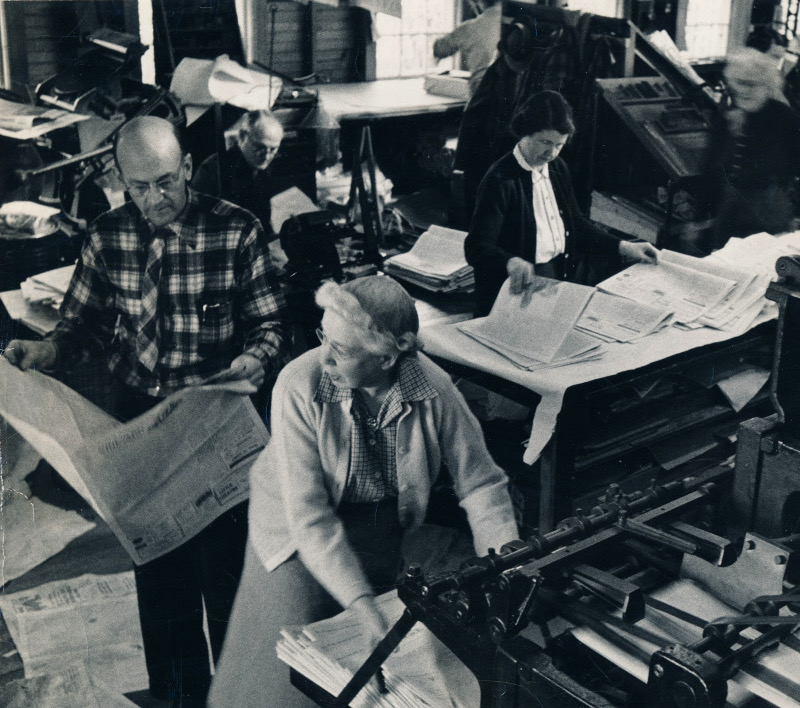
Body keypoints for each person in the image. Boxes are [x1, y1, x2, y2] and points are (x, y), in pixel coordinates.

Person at [3, 115, 291, 707]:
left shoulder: (236, 229)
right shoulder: (108, 235)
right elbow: (81, 325)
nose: (155, 198)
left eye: (166, 181)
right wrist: (47, 350)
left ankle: (237, 697)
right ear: (120, 181)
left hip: (216, 417)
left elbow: (269, 324)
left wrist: (254, 358)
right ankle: (179, 699)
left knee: (227, 577)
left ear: (186, 167)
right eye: (139, 187)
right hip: (140, 420)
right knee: (160, 576)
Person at [207, 276, 519, 708]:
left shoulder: (434, 388)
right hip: (294, 522)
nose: (324, 357)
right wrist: (361, 604)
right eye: (323, 338)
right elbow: (310, 518)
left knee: (362, 661)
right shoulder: (297, 384)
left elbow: (482, 484)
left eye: (342, 349)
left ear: (387, 357)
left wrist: (506, 572)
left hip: (377, 520)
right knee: (290, 662)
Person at [464, 90, 658, 316]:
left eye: (559, 145)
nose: (551, 153)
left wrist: (624, 246)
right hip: (515, 293)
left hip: (557, 278)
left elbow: (576, 225)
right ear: (525, 132)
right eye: (545, 142)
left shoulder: (557, 168)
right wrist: (510, 262)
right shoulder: (500, 179)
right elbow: (477, 246)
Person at [705, 47, 800, 251]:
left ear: (767, 85)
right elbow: (710, 163)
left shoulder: (785, 117)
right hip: (730, 207)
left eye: (751, 84)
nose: (744, 90)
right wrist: (701, 215)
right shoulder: (727, 114)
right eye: (739, 83)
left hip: (770, 209)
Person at [192, 109, 284, 237]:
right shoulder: (213, 169)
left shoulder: (262, 169)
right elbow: (194, 222)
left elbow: (263, 222)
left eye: (273, 149)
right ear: (242, 137)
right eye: (260, 147)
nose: (267, 156)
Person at [432, 0, 502, 98]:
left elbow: (439, 49)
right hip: (512, 97)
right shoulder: (514, 24)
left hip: (481, 95)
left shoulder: (470, 27)